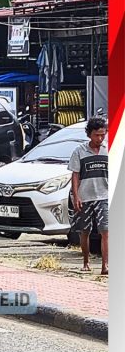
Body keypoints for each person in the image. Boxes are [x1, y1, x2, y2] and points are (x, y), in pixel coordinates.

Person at [69, 117, 109, 275]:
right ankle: (86, 261)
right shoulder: (79, 151)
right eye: (96, 135)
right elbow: (75, 175)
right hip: (85, 196)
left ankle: (105, 265)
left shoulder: (109, 149)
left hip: (104, 196)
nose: (99, 138)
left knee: (105, 231)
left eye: (102, 135)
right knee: (84, 231)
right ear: (89, 135)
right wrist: (76, 196)